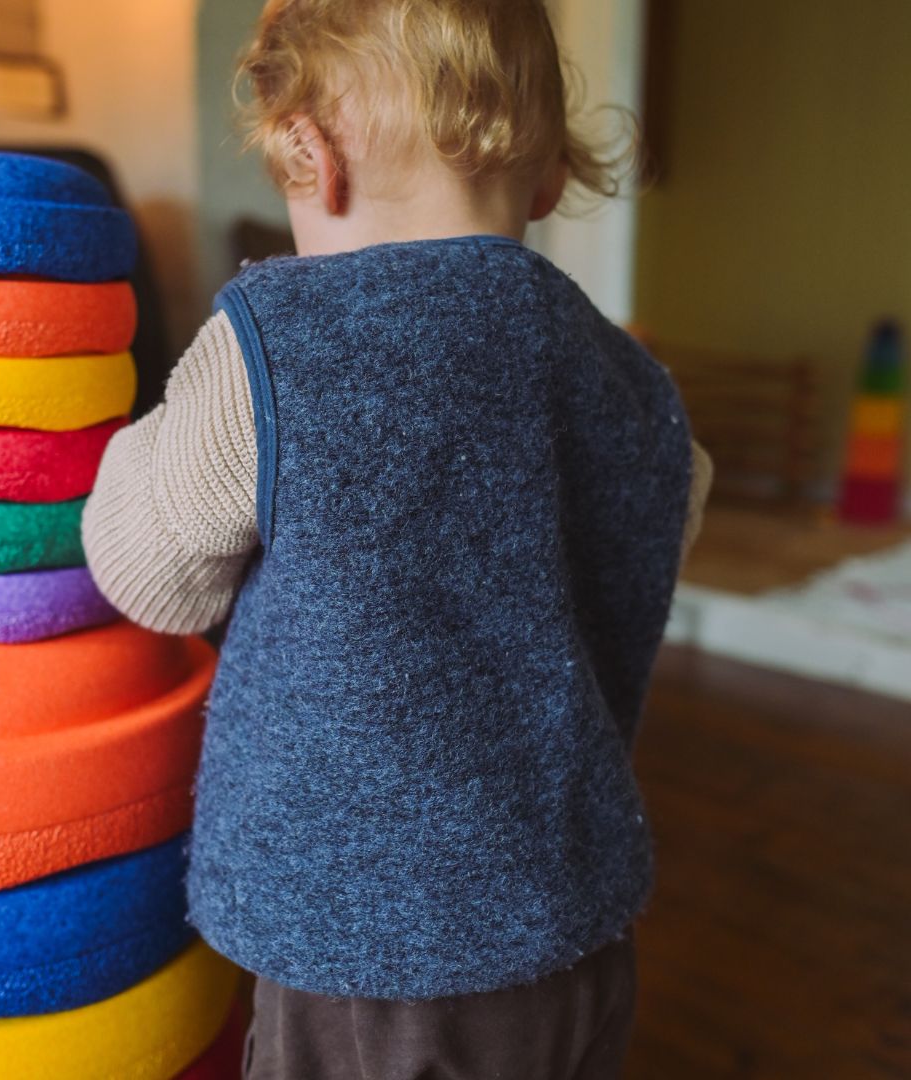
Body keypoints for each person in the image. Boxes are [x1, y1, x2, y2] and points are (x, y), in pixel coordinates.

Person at [84, 2, 712, 1077]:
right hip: (573, 929)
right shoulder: (627, 381)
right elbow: (675, 500)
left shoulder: (278, 344)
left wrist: (125, 455)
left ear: (310, 158)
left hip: (365, 966)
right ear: (552, 178)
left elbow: (149, 571)